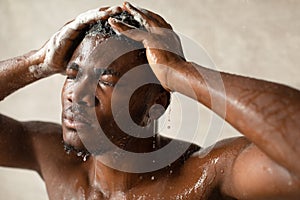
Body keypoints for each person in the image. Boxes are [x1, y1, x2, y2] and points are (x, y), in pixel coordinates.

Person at [0, 2, 299, 199]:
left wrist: (179, 72)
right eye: (72, 74)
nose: (74, 94)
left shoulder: (207, 176)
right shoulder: (55, 159)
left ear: (156, 104)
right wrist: (36, 62)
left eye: (105, 80)